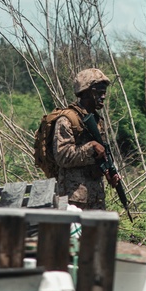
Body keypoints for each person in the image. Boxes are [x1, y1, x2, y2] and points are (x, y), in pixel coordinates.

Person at [53, 68, 120, 210]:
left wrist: (108, 171)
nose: (103, 96)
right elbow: (62, 156)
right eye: (99, 92)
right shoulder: (67, 119)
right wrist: (91, 147)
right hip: (73, 199)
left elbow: (98, 155)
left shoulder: (96, 119)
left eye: (104, 92)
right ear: (86, 92)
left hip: (96, 197)